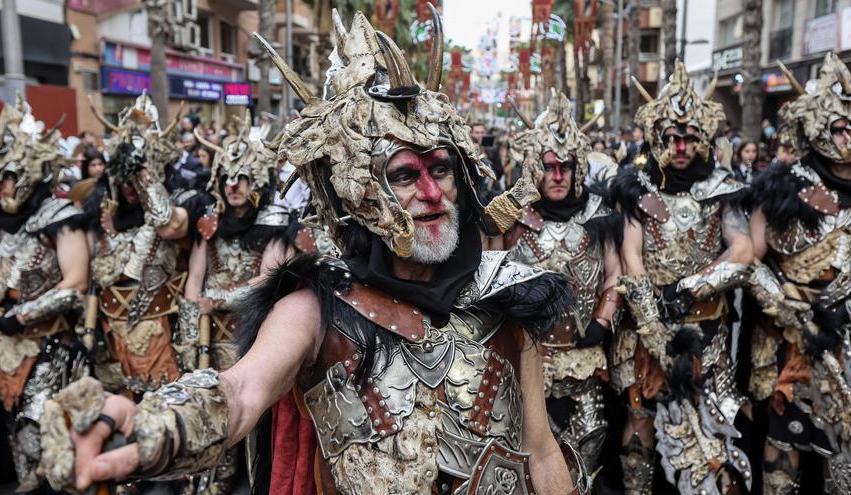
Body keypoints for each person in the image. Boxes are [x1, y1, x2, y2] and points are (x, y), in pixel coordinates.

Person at [38, 10, 575, 495]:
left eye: (440, 169)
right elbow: (241, 392)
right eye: (405, 177)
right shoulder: (320, 307)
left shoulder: (507, 291)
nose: (432, 195)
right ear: (358, 193)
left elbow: (541, 449)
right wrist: (148, 426)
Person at [610, 62, 755, 494]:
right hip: (648, 328)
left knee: (707, 427)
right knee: (640, 430)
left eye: (689, 137)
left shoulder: (720, 188)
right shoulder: (637, 189)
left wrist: (691, 285)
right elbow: (631, 258)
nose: (679, 145)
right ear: (657, 140)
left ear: (702, 140)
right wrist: (654, 326)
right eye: (671, 137)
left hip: (706, 332)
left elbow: (743, 250)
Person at [503, 89, 624, 487]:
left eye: (566, 167)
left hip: (582, 361)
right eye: (549, 166)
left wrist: (603, 323)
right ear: (535, 168)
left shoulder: (598, 216)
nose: (558, 176)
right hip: (525, 363)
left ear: (577, 169)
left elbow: (614, 277)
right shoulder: (513, 219)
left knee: (589, 444)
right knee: (527, 460)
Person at [0, 95, 90, 492]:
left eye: (8, 174)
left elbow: (75, 285)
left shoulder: (58, 216)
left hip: (48, 346)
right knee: (5, 441)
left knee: (40, 439)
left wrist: (21, 315)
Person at [747, 53, 851, 495]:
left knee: (842, 459)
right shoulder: (783, 186)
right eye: (841, 127)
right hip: (792, 341)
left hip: (846, 347)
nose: (849, 137)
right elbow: (748, 258)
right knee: (781, 456)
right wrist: (783, 303)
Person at [184, 111, 300, 495]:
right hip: (206, 337)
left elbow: (267, 280)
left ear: (257, 180)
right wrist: (188, 341)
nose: (233, 186)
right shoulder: (209, 221)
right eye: (227, 179)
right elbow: (193, 279)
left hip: (251, 337)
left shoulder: (275, 220)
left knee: (251, 413)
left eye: (242, 178)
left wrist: (214, 300)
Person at [83, 93, 191, 399]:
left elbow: (166, 222)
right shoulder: (103, 213)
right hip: (112, 341)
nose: (131, 188)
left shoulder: (181, 204)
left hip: (161, 336)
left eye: (136, 181)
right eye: (124, 180)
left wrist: (143, 171)